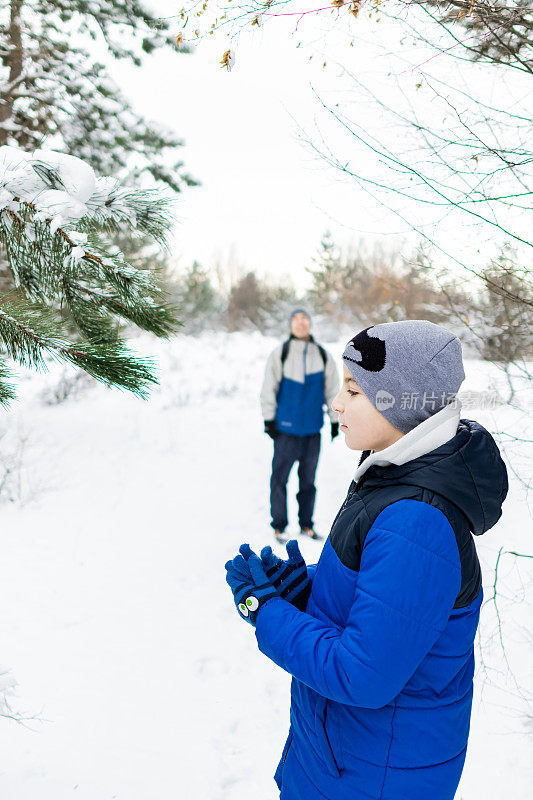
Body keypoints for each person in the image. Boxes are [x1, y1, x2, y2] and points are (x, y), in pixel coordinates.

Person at [226, 320, 508, 800]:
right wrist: (304, 590)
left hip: (373, 777)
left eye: (354, 390)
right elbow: (386, 603)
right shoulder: (396, 479)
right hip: (349, 759)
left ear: (405, 402)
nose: (336, 403)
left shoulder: (416, 520)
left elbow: (363, 674)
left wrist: (267, 612)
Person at [260, 309, 340, 543]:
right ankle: (279, 525)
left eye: (304, 319)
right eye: (296, 319)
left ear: (310, 324)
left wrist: (334, 420)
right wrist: (269, 419)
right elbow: (269, 388)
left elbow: (333, 391)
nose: (301, 323)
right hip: (286, 432)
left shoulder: (323, 355)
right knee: (279, 480)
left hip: (312, 432)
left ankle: (306, 524)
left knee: (308, 482)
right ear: (290, 325)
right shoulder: (281, 354)